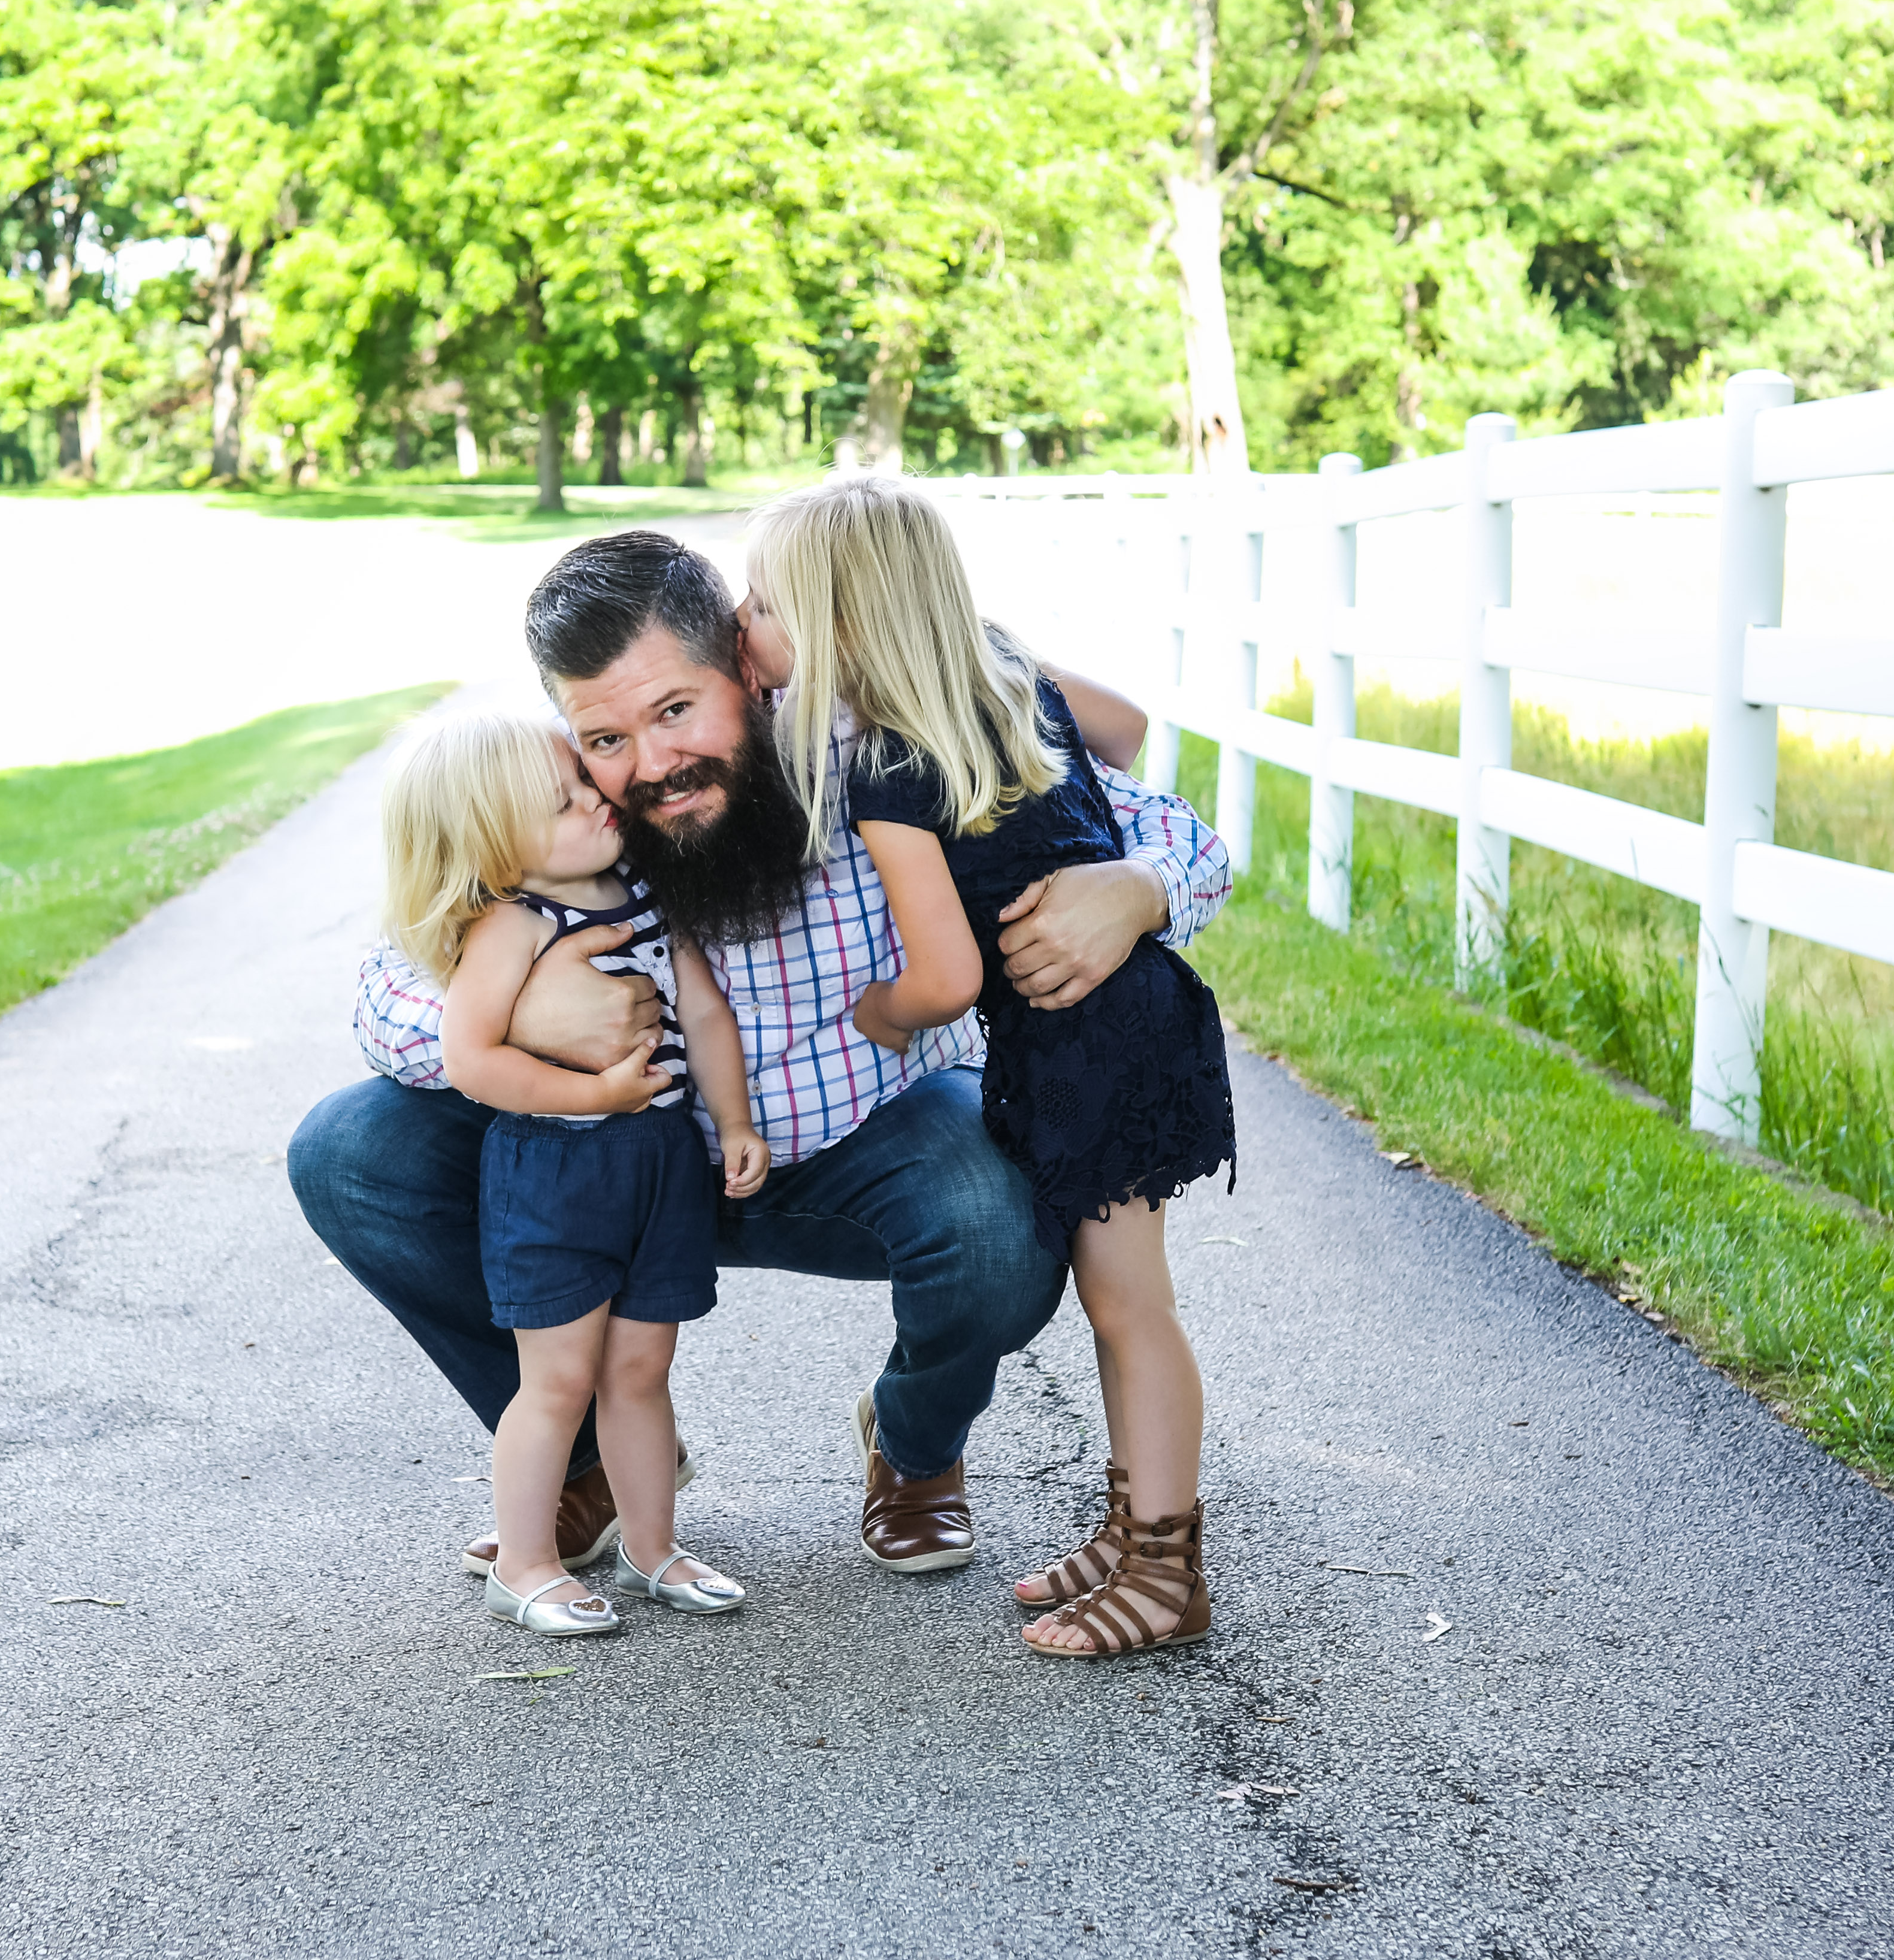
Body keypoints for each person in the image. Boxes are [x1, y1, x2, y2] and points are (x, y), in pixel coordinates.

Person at [287, 527, 1228, 1585]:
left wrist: (1140, 890)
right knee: (348, 1151)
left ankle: (912, 1446)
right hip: (614, 1149)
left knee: (996, 1226)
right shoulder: (564, 803)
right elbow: (386, 985)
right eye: (603, 736)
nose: (649, 765)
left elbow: (1171, 828)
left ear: (742, 658)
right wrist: (526, 1016)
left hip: (868, 1130)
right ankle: (590, 1456)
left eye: (674, 711)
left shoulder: (866, 743)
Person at [737, 473, 1234, 1659]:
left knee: (1129, 1310)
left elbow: (948, 975)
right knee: (1127, 1304)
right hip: (1136, 1013)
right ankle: (1129, 1534)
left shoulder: (885, 771)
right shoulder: (1000, 671)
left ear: (837, 628)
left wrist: (884, 1010)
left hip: (1083, 1040)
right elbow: (1122, 727)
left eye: (761, 603)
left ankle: (1165, 1567)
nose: (743, 625)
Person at [378, 712, 769, 1635]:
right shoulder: (513, 923)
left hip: (661, 1161)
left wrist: (735, 1119)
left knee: (641, 1367)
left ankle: (651, 1546)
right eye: (563, 803)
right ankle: (525, 1564)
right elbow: (470, 1058)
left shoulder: (640, 888)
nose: (597, 801)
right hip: (554, 1170)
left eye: (582, 784)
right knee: (555, 1380)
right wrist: (596, 1093)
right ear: (492, 846)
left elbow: (703, 1010)